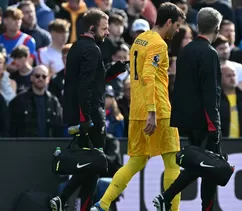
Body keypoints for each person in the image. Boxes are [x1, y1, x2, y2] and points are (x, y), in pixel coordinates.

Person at [90, 3, 186, 211]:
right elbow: (148, 76)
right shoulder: (159, 44)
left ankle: (103, 204)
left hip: (136, 111)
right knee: (172, 163)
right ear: (168, 22)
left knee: (135, 162)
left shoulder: (138, 41)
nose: (177, 31)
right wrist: (152, 111)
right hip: (158, 111)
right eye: (177, 26)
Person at [50, 8, 128, 211]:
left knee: (88, 165)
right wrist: (86, 119)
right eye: (104, 28)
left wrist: (115, 69)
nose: (107, 33)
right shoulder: (92, 50)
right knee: (94, 166)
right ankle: (68, 199)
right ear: (92, 28)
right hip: (91, 116)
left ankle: (63, 199)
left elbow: (93, 82)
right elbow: (85, 86)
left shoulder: (76, 48)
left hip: (79, 115)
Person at [153, 7, 223, 211]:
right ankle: (168, 196)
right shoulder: (209, 53)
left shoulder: (186, 51)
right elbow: (210, 93)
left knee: (202, 165)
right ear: (217, 28)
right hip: (204, 121)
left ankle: (170, 198)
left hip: (187, 119)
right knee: (206, 166)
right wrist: (214, 125)